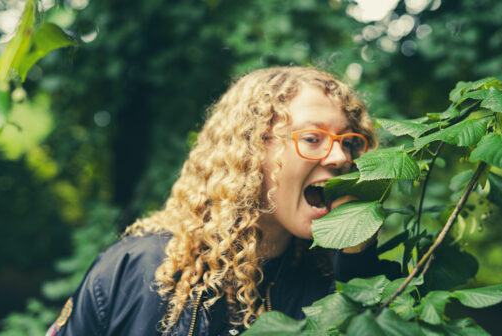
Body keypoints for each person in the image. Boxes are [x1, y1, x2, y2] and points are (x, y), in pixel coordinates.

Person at [46, 66, 398, 336]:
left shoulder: (332, 282)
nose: (341, 157)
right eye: (312, 138)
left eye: (350, 142)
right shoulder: (137, 270)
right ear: (250, 149)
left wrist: (357, 260)